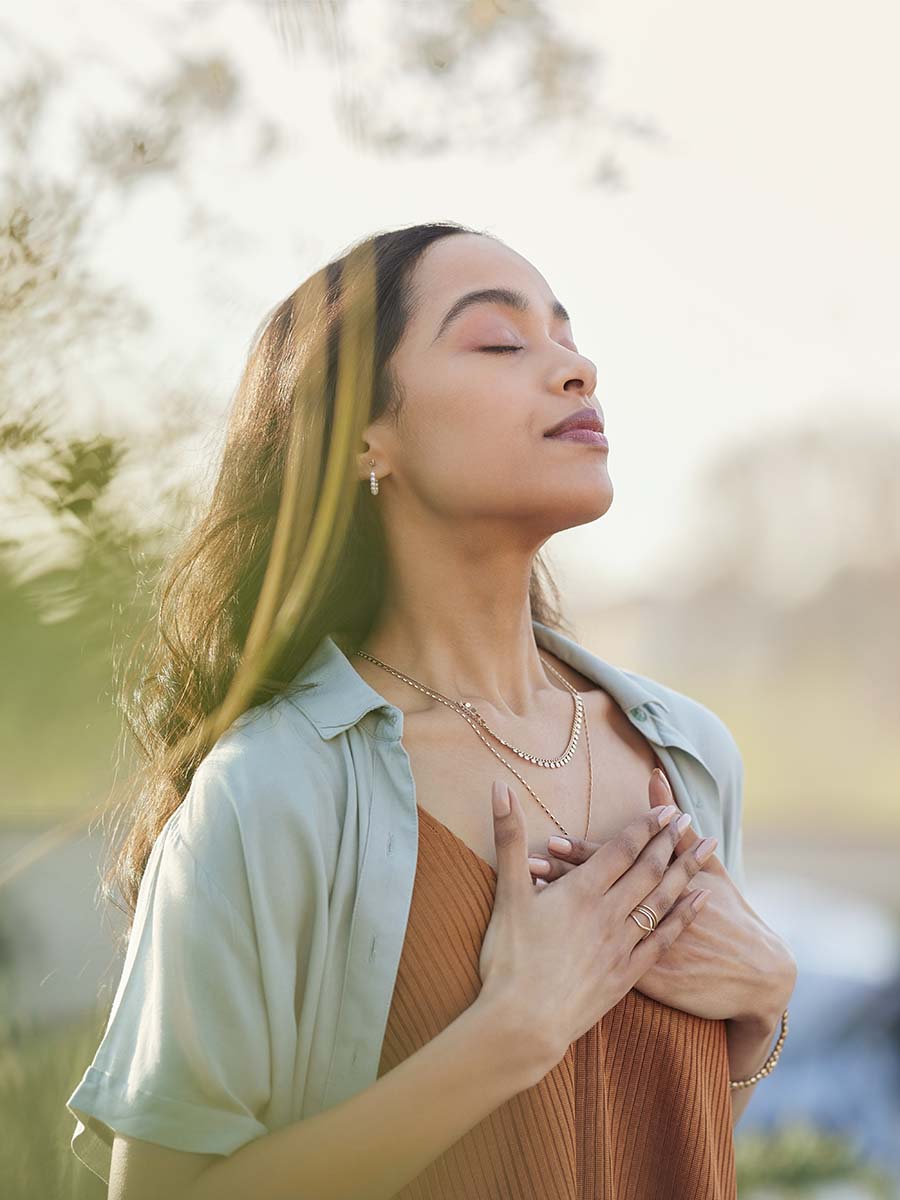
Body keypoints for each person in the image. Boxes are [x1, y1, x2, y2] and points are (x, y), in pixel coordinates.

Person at [66, 221, 797, 1200]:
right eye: (500, 342)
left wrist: (761, 1012)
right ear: (367, 436)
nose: (576, 369)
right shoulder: (272, 791)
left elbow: (652, 1138)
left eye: (568, 338)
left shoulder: (690, 754)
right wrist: (511, 1033)